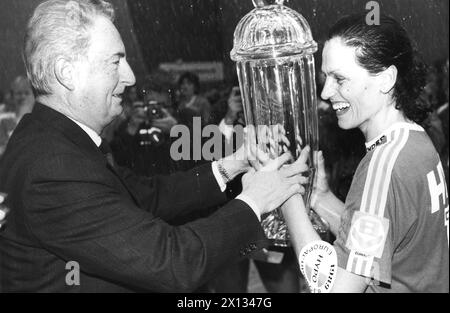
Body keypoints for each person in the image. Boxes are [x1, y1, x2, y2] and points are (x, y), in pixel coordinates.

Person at [0, 0, 307, 292]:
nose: (130, 77)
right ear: (67, 73)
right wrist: (256, 198)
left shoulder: (54, 142)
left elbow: (146, 195)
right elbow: (174, 263)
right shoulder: (54, 168)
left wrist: (232, 164)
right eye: (115, 62)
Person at [282, 14, 449, 292]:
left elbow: (335, 289)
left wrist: (289, 202)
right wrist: (320, 198)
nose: (325, 92)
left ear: (385, 79)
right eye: (326, 77)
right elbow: (375, 247)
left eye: (339, 78)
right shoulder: (416, 140)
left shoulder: (382, 165)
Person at [0, 76, 35, 157]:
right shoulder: (4, 121)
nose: (23, 97)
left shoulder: (40, 120)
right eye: (19, 93)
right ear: (12, 96)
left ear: (34, 96)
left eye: (27, 93)